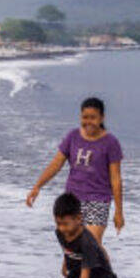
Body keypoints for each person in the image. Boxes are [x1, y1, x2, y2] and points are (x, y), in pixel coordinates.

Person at [26, 97, 125, 241]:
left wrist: (119, 212)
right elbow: (56, 164)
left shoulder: (111, 143)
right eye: (85, 117)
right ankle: (99, 263)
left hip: (98, 200)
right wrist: (37, 186)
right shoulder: (73, 137)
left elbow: (116, 179)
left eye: (93, 117)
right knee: (72, 251)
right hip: (72, 200)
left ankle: (102, 263)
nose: (88, 122)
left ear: (102, 118)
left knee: (91, 244)